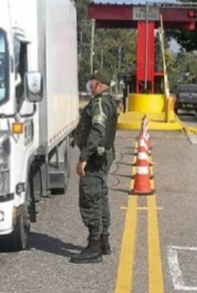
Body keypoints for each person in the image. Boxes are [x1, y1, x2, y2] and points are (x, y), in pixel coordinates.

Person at [70, 70, 119, 264]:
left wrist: (83, 157)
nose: (89, 84)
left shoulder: (99, 104)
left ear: (97, 84)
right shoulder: (110, 101)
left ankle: (94, 247)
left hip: (95, 158)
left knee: (90, 198)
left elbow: (97, 131)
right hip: (103, 155)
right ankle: (104, 241)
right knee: (100, 196)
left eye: (91, 81)